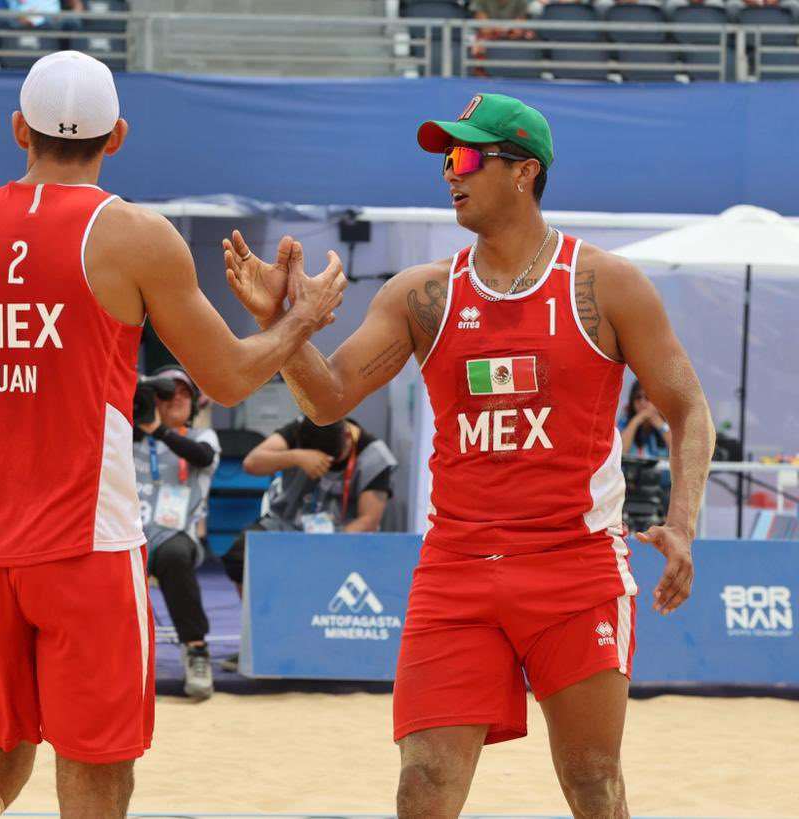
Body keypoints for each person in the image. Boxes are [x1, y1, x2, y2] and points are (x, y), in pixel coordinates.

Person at [223, 92, 715, 817]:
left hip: (573, 564)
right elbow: (326, 400)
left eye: (463, 157)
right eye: (444, 160)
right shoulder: (424, 294)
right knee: (422, 786)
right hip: (457, 566)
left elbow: (688, 409)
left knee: (592, 782)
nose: (448, 173)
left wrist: (683, 520)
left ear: (523, 172)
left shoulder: (605, 284)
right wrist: (288, 327)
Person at [0, 50, 344, 818]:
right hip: (85, 549)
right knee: (99, 775)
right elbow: (229, 379)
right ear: (118, 136)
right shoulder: (134, 235)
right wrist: (301, 319)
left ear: (17, 131)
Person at [221, 416, 397, 588]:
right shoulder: (299, 429)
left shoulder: (375, 456)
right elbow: (251, 464)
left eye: (332, 460)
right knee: (239, 558)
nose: (325, 464)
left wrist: (323, 546)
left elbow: (369, 521)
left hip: (340, 535)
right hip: (285, 523)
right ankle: (253, 617)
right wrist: (297, 457)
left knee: (318, 568)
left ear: (347, 436)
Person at [133, 366, 220, 701]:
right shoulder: (128, 434)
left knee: (175, 556)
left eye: (185, 394)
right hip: (129, 534)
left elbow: (202, 457)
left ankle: (196, 652)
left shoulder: (201, 438)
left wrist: (158, 430)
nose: (177, 399)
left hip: (173, 533)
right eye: (168, 394)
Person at [619, 378, 671, 458]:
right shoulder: (625, 419)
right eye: (638, 397)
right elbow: (620, 452)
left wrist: (660, 424)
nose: (642, 402)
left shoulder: (667, 420)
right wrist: (635, 421)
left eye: (647, 397)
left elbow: (679, 452)